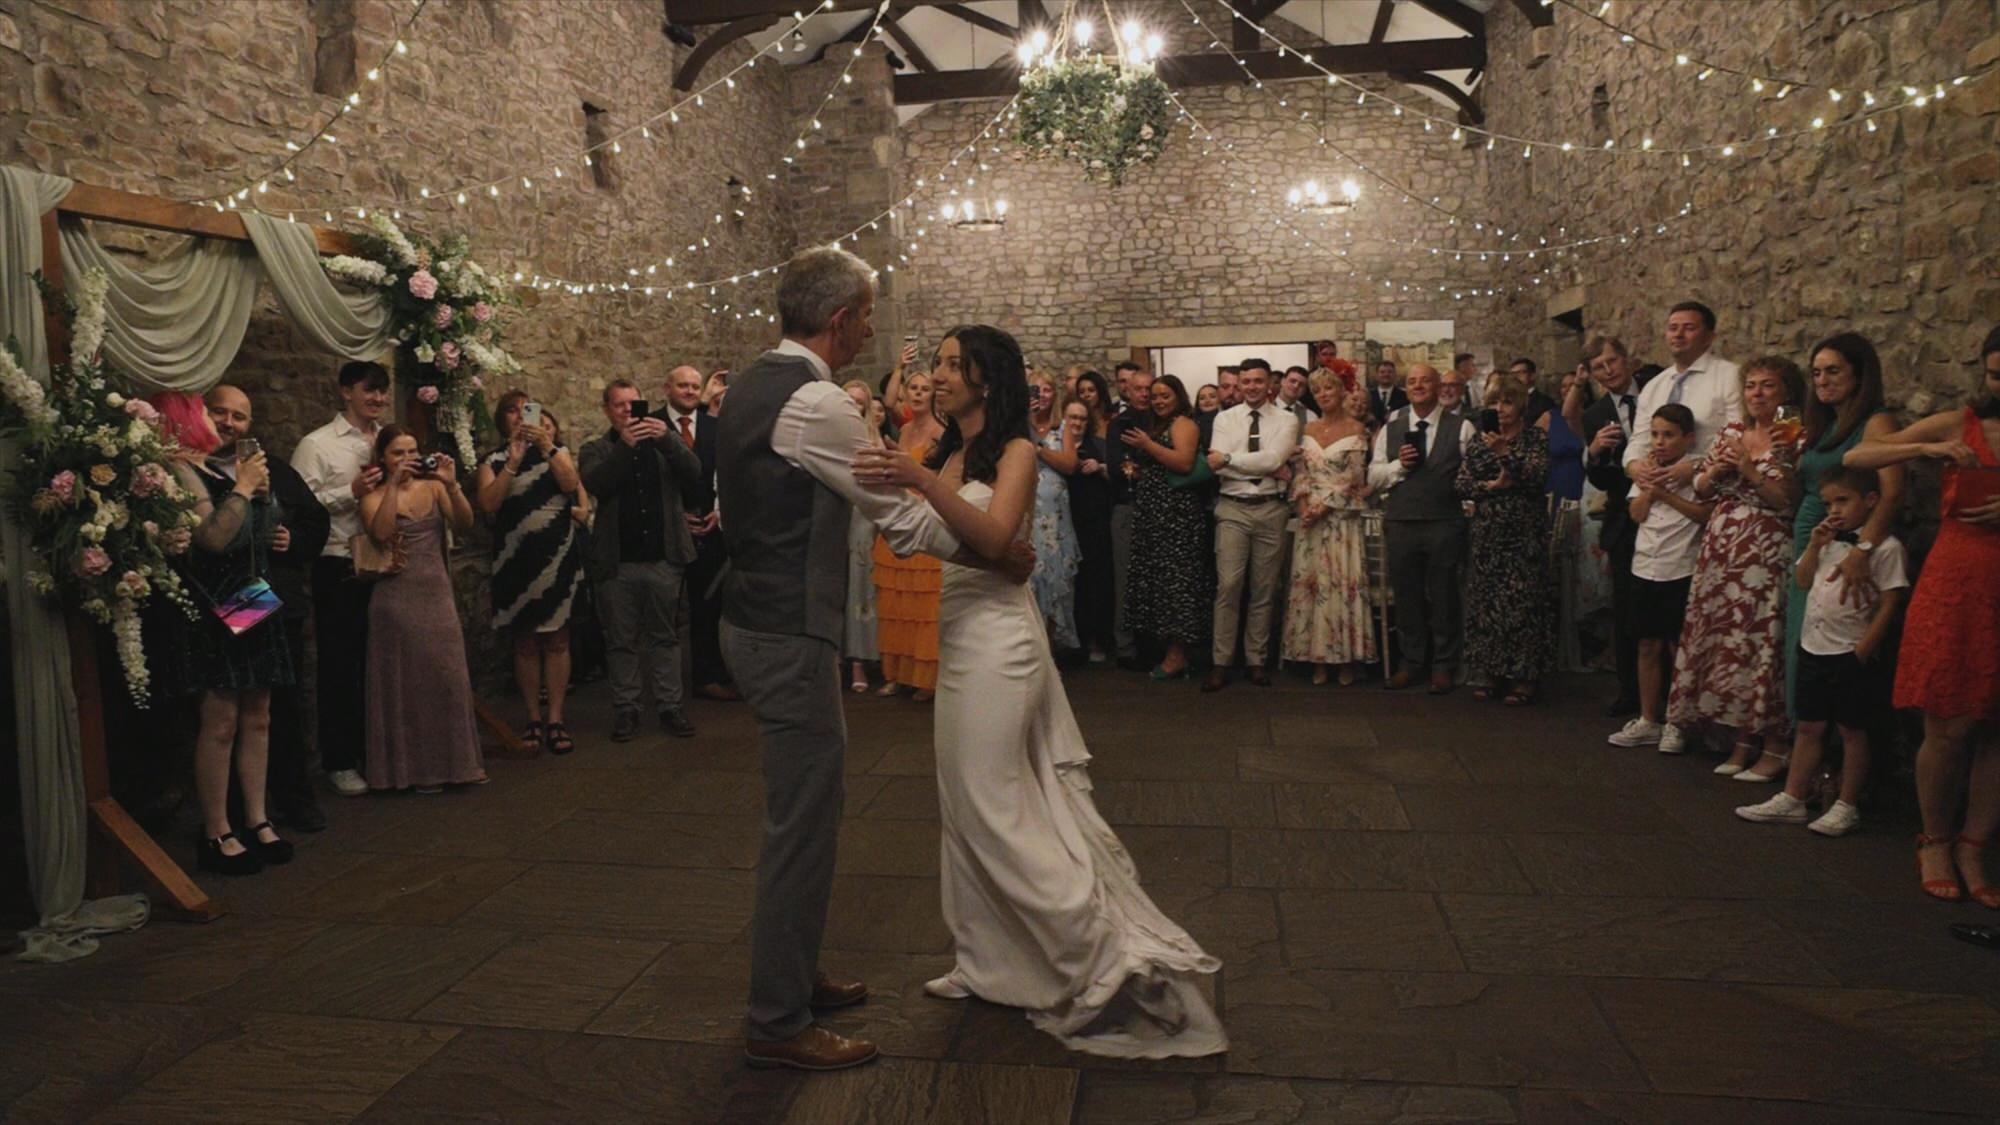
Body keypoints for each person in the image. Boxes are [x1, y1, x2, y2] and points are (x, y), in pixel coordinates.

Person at [853, 324, 1226, 1059]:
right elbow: (935, 538)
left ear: (989, 380)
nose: (942, 375)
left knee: (996, 804)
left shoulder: (1017, 450)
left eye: (955, 365)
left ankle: (1098, 955)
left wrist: (923, 485)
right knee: (962, 804)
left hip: (1001, 642)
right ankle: (986, 959)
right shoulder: (947, 451)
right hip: (960, 631)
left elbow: (998, 538)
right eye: (939, 364)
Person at [717, 249, 1001, 1072]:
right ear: (840, 320)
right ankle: (776, 1018)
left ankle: (794, 973)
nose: (872, 330)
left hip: (752, 616)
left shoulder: (751, 383)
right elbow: (901, 521)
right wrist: (994, 549)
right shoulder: (816, 402)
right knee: (802, 823)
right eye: (869, 314)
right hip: (786, 630)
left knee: (808, 807)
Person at [1843, 324, 2000, 903]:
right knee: (1948, 722)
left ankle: (1974, 845)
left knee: (1998, 727)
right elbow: (1859, 454)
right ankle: (1934, 838)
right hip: (1960, 579)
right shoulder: (1960, 423)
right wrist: (1924, 449)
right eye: (1996, 375)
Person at [152, 393, 295, 874]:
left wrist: (267, 508)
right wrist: (244, 487)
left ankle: (256, 818)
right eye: (210, 411)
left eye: (236, 415)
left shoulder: (223, 467)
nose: (221, 422)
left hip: (252, 596)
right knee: (220, 721)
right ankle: (216, 830)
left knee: (259, 715)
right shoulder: (179, 469)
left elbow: (257, 533)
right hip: (214, 604)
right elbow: (212, 538)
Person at [1736, 466, 1907, 836]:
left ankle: (1847, 804)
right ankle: (1793, 796)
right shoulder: (1826, 540)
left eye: (1842, 501)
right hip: (1814, 646)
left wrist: (1864, 650)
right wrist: (1814, 545)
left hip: (1850, 650)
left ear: (1871, 501)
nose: (1834, 510)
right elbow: (1801, 580)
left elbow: (1891, 602)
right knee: (1809, 725)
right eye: (1828, 503)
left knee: (1852, 730)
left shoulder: (1886, 547)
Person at [1665, 358, 1804, 778]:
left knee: (1761, 641)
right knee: (1728, 641)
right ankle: (1741, 736)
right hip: (1722, 549)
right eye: (1751, 386)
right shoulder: (1732, 432)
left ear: (1786, 392)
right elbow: (1701, 487)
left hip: (1766, 550)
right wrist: (1717, 470)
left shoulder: (1792, 436)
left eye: (1768, 386)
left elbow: (1789, 500)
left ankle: (1773, 743)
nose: (1757, 394)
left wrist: (1747, 470)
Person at [205, 384, 330, 834]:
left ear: (250, 426)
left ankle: (286, 803)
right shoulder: (195, 471)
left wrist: (291, 539)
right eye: (220, 412)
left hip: (276, 601)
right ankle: (229, 818)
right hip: (228, 600)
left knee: (277, 709)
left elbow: (316, 521)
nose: (229, 423)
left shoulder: (272, 467)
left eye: (239, 417)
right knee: (227, 712)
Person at [1784, 333, 1903, 733]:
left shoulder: (1876, 422)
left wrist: (1862, 549)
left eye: (1833, 371)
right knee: (1804, 639)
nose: (1822, 380)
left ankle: (1837, 756)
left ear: (1859, 374)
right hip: (1813, 539)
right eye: (1816, 373)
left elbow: (1892, 493)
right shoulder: (1823, 425)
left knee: (1838, 642)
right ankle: (1805, 747)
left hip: (1849, 542)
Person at [578, 379, 708, 741]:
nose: (627, 411)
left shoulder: (663, 443)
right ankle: (627, 709)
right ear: (607, 410)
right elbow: (597, 483)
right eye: (620, 405)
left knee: (665, 637)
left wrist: (668, 440)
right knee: (621, 640)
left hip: (663, 559)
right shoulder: (596, 449)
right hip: (616, 561)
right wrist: (625, 447)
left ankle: (670, 706)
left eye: (633, 404)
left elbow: (694, 471)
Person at [359, 426, 484, 792]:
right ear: (383, 458)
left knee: (447, 675)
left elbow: (465, 523)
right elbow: (381, 534)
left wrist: (452, 484)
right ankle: (412, 772)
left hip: (436, 591)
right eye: (398, 453)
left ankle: (455, 764)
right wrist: (392, 486)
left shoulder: (433, 488)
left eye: (412, 451)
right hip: (395, 597)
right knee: (407, 682)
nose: (407, 459)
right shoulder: (372, 497)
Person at [291, 360, 388, 796]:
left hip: (385, 561)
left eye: (382, 391)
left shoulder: (385, 439)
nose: (378, 399)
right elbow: (301, 507)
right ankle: (340, 760)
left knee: (380, 661)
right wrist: (352, 492)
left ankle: (379, 752)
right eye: (369, 390)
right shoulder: (317, 445)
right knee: (340, 664)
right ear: (346, 392)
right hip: (339, 563)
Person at [477, 391, 588, 756]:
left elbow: (570, 485)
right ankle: (533, 718)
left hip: (556, 556)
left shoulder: (556, 452)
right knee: (525, 642)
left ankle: (556, 718)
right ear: (502, 420)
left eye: (525, 409)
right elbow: (489, 503)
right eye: (511, 410)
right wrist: (512, 462)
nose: (518, 416)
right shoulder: (492, 460)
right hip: (515, 559)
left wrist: (547, 447)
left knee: (557, 640)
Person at [1609, 405, 1712, 754]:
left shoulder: (1696, 470)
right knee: (1647, 644)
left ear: (1688, 438)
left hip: (1681, 566)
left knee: (1676, 647)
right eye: (1654, 434)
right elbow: (1636, 514)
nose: (1660, 442)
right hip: (1645, 565)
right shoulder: (1647, 469)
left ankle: (1677, 721)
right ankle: (1648, 718)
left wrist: (1665, 493)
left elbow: (1704, 515)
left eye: (1668, 435)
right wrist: (1649, 490)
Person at [1368, 364, 1476, 693]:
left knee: (1444, 595)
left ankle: (1443, 665)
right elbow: (1373, 477)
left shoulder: (1462, 426)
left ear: (1438, 386)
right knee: (1407, 596)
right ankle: (1412, 662)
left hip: (1445, 522)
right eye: (1412, 381)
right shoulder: (1391, 428)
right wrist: (1399, 465)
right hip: (1401, 522)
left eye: (1425, 381)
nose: (1418, 386)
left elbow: (1474, 473)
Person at [1202, 359, 1298, 692]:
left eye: (1258, 381)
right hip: (1233, 508)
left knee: (1264, 588)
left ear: (1270, 383)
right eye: (1246, 381)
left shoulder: (1287, 419)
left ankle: (1256, 660)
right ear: (1239, 385)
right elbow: (1214, 464)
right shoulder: (1224, 418)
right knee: (1228, 586)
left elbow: (1273, 459)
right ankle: (1221, 662)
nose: (1252, 387)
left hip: (1271, 509)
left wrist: (1231, 459)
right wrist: (1254, 464)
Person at [1456, 379, 1554, 704]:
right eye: (1494, 403)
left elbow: (1536, 477)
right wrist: (1491, 487)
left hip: (1523, 532)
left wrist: (1505, 454)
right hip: (1488, 533)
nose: (1500, 409)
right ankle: (1492, 673)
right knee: (1488, 604)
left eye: (1507, 402)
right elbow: (1462, 483)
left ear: (1521, 406)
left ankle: (1525, 677)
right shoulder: (1479, 440)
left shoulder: (1535, 438)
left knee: (1523, 603)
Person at [1282, 369, 1374, 685]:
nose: (1323, 394)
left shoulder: (1356, 429)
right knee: (1313, 587)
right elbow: (1302, 473)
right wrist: (1304, 507)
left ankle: (1345, 659)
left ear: (1341, 391)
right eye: (1317, 390)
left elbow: (1355, 479)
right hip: (1311, 521)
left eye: (1329, 388)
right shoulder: (1308, 428)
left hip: (1340, 520)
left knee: (1340, 586)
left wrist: (1325, 506)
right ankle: (1317, 658)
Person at [1579, 337, 1650, 715]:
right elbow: (1602, 481)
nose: (1608, 371)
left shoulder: (1655, 389)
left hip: (1668, 510)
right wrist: (1595, 452)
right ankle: (1629, 691)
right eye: (1599, 367)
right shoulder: (1596, 414)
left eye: (1612, 361)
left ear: (1626, 360)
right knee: (1625, 609)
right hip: (1624, 520)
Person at [1122, 375, 1210, 680]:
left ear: (1178, 397)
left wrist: (1147, 445)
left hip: (1176, 516)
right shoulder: (1159, 425)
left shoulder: (1183, 423)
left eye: (1165, 396)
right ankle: (1170, 651)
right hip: (1156, 514)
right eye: (1155, 396)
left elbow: (1184, 463)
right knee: (1160, 584)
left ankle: (1178, 655)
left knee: (1177, 585)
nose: (1159, 401)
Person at [873, 366, 946, 701]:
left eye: (924, 389)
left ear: (933, 395)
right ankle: (898, 673)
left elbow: (944, 479)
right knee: (897, 601)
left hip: (925, 519)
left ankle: (927, 678)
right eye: (913, 388)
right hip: (900, 517)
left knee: (924, 606)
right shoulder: (903, 430)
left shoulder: (941, 433)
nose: (917, 393)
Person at [665, 364, 736, 703]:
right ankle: (665, 686)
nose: (690, 392)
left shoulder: (715, 427)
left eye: (695, 387)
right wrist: (673, 515)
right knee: (665, 611)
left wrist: (719, 512)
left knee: (708, 607)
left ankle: (708, 676)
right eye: (683, 386)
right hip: (666, 530)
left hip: (707, 526)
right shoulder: (653, 424)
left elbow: (728, 472)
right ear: (668, 388)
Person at [1623, 301, 1742, 473]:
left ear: (1709, 337)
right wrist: (1634, 466)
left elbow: (1738, 436)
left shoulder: (1731, 377)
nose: (1678, 334)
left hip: (1712, 480)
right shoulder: (1654, 387)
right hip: (1656, 482)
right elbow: (1640, 440)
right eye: (1673, 328)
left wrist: (1697, 467)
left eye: (1689, 328)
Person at [1027, 369, 1082, 650]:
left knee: (1056, 579)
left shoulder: (1062, 429)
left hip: (1055, 516)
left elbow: (1070, 465)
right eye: (1036, 390)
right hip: (1028, 512)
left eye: (1048, 389)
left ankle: (1052, 649)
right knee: (1032, 578)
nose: (1043, 395)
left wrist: (1039, 449)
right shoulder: (1018, 427)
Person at [1104, 368, 1154, 669]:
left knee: (1154, 578)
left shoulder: (1162, 421)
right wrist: (1153, 471)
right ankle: (1125, 646)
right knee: (1125, 578)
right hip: (1128, 506)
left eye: (1149, 388)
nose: (1145, 394)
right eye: (1139, 389)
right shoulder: (1119, 425)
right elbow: (1119, 468)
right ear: (1129, 392)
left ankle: (1152, 643)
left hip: (1159, 510)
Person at [1068, 370, 1117, 664]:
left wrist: (1099, 467)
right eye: (1072, 418)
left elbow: (1116, 478)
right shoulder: (1055, 446)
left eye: (1081, 419)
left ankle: (1097, 638)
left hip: (1094, 519)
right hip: (1064, 519)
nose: (1076, 423)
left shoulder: (1097, 446)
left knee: (1096, 579)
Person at [841, 381, 884, 692]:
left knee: (860, 588)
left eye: (859, 401)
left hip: (862, 516)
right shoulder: (828, 433)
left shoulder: (873, 438)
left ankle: (860, 659)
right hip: (834, 513)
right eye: (849, 399)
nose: (854, 405)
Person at [1504, 358, 1560, 424]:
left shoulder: (1544, 402)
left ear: (1532, 376)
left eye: (1520, 373)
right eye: (1512, 374)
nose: (1515, 377)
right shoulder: (1506, 400)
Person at [1367, 359, 1406, 426]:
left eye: (1390, 372)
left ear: (1395, 375)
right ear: (1376, 375)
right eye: (1382, 372)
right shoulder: (1368, 395)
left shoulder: (1404, 396)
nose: (1386, 374)